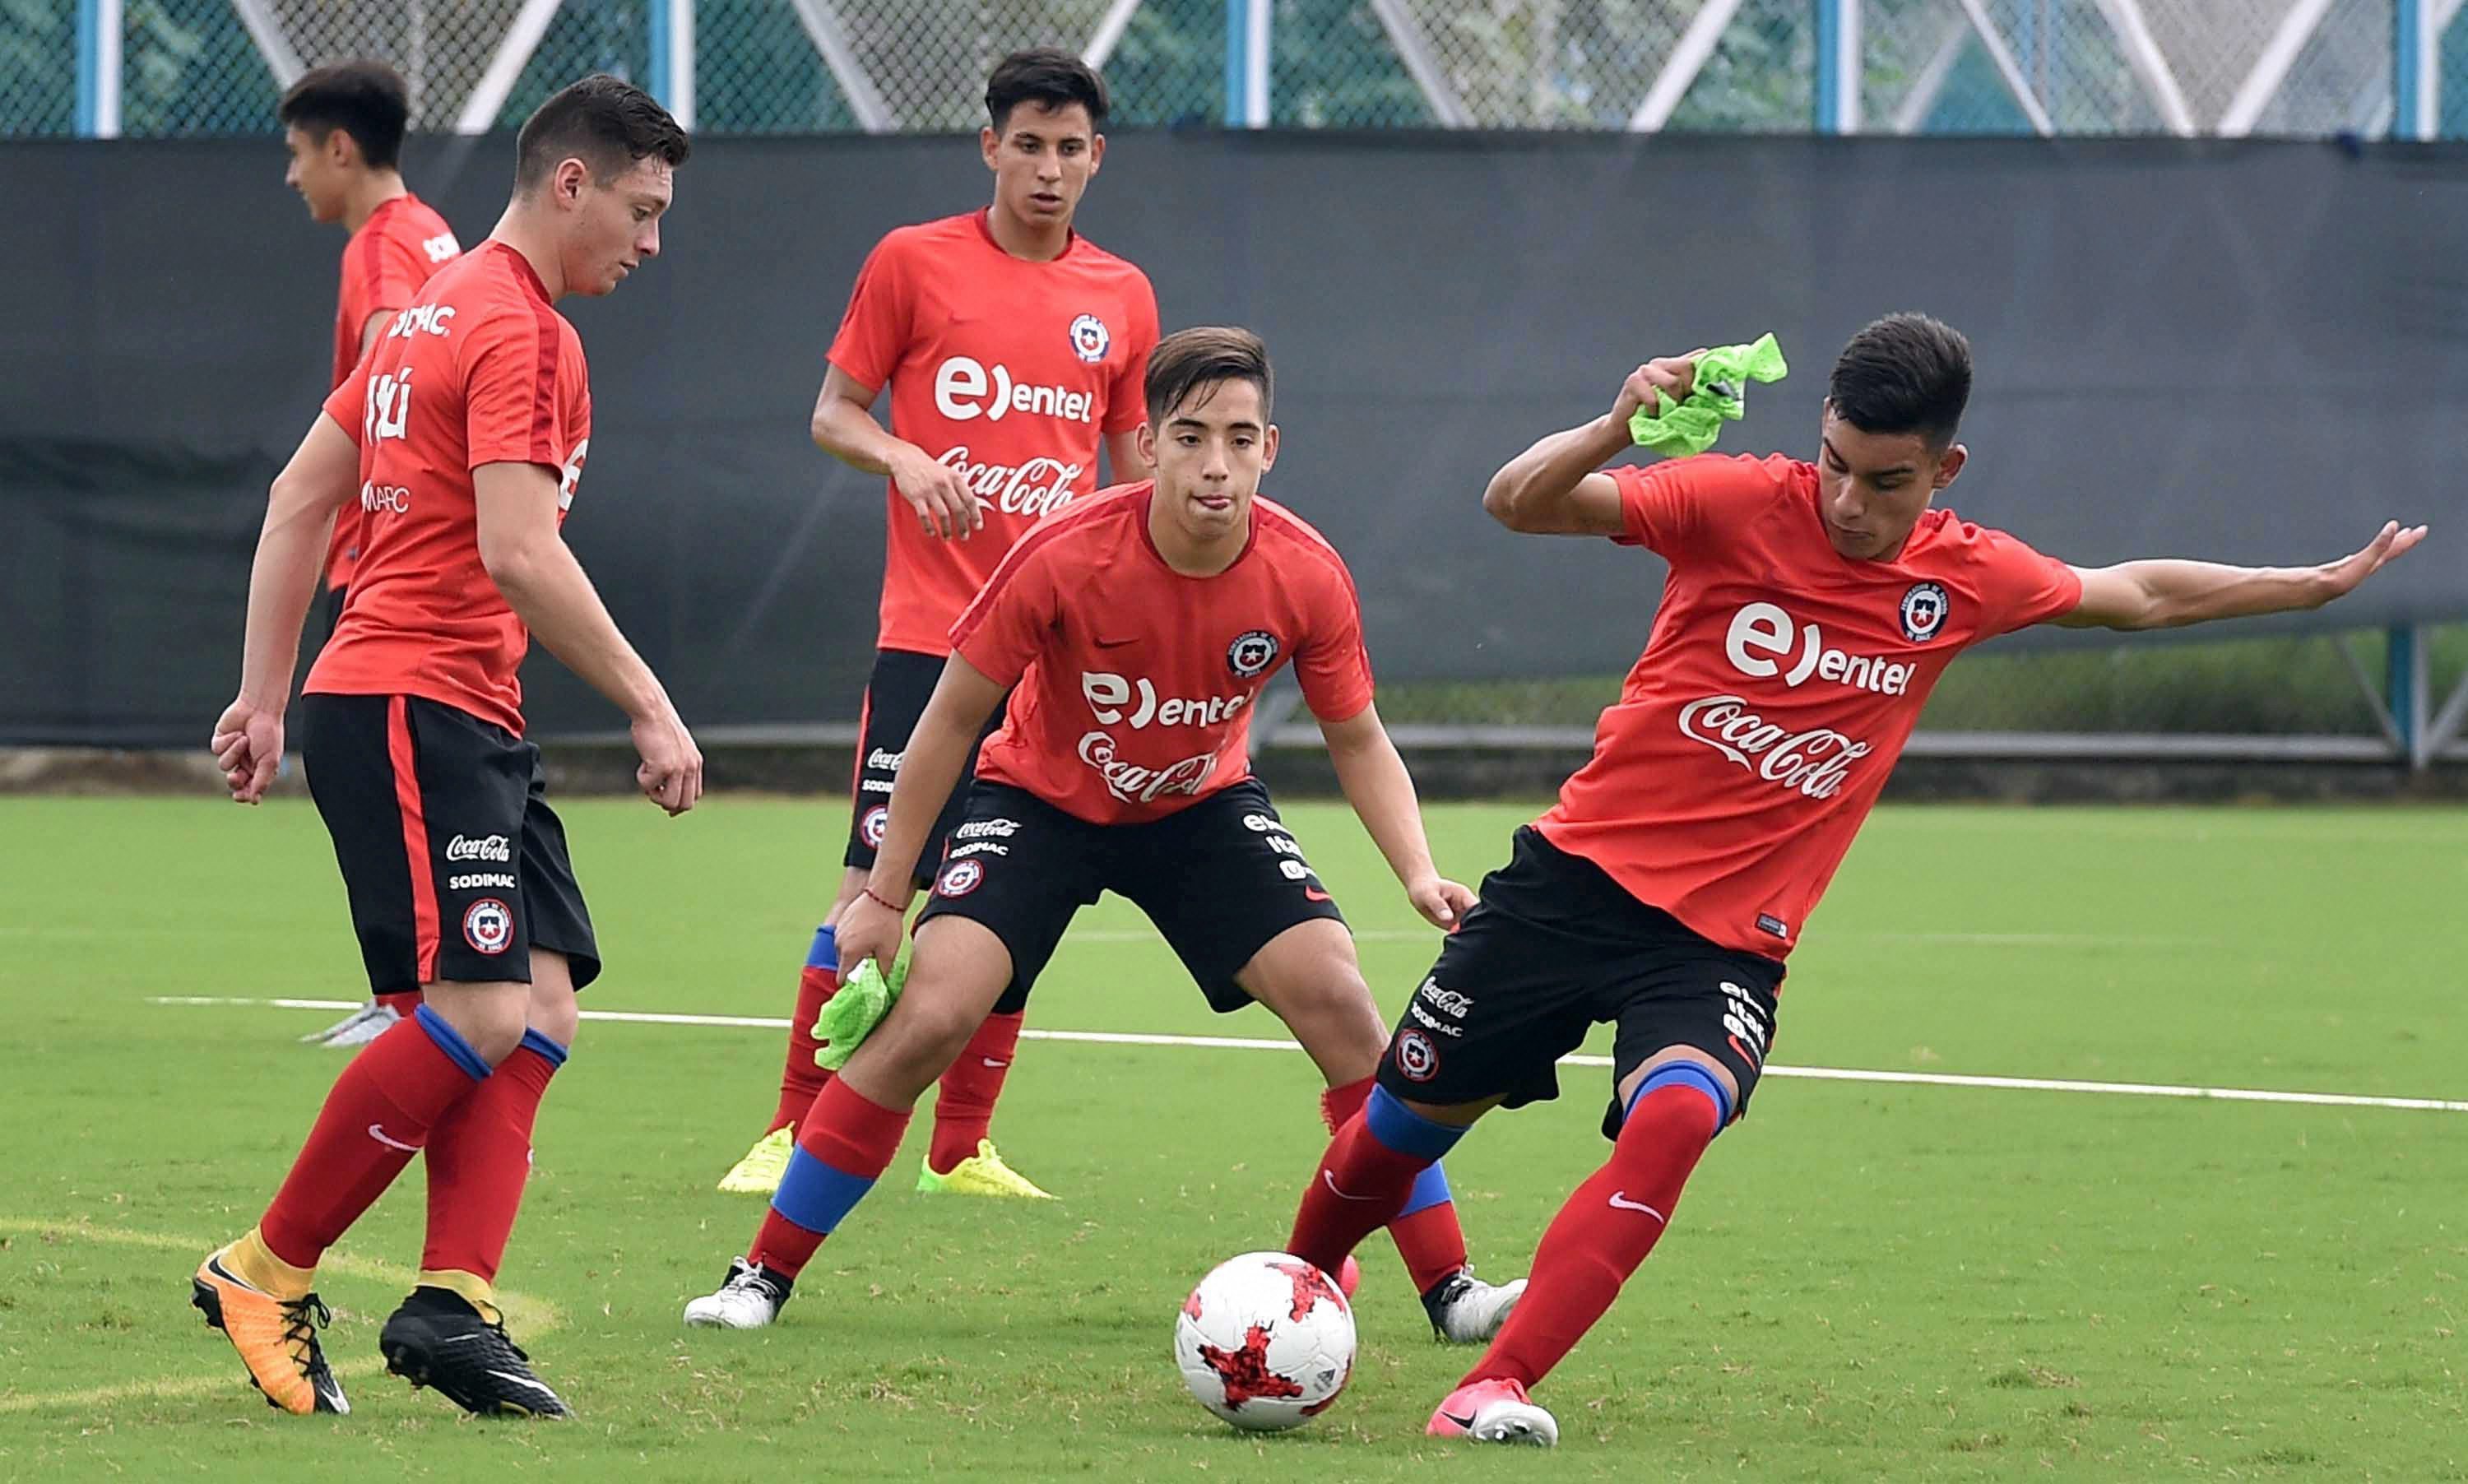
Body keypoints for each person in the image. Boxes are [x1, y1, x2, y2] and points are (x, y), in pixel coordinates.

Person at [1278, 313, 2429, 1447]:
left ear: (1945, 469)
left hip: (1723, 946)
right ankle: (1290, 1297)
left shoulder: (1965, 578)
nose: (1846, 501)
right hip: (1570, 887)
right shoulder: (1734, 500)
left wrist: (2307, 587)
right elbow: (1518, 503)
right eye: (1834, 464)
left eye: (1885, 481)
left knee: (1676, 1116)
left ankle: (1494, 1384)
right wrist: (1615, 423)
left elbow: (2137, 595)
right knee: (1397, 1132)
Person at [684, 327, 1524, 1344]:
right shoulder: (1067, 553)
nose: (1217, 464)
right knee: (935, 1011)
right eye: (1191, 436)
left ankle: (1452, 1292)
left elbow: (1358, 737)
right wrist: (883, 894)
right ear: (1149, 443)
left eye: (1241, 438)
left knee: (1344, 1000)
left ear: (1271, 448)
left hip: (1197, 809)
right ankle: (760, 1274)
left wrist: (1419, 872)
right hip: (1037, 803)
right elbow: (949, 719)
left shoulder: (1307, 573)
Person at [193, 75, 701, 1419]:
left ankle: (453, 1303)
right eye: (642, 213)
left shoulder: (423, 306)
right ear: (573, 184)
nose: (653, 246)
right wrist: (652, 701)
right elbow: (517, 550)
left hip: (443, 702)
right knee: (475, 1010)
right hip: (420, 703)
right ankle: (263, 1264)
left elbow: (303, 498)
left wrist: (264, 696)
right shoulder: (521, 329)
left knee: (537, 1008)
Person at [717, 47, 1161, 1203]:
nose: (1050, 168)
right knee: (877, 879)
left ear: (1096, 158)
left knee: (1018, 896)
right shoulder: (913, 263)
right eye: (1029, 145)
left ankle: (961, 1150)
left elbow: (1132, 476)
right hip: (932, 636)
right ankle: (787, 1128)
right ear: (990, 147)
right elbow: (833, 413)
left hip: (1057, 659)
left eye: (1071, 149)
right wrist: (906, 455)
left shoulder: (1121, 294)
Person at [276, 58, 465, 1049]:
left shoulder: (383, 244)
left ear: (341, 149)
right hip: (435, 549)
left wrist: (382, 493)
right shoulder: (434, 229)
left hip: (385, 549)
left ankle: (408, 1000)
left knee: (367, 764)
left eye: (300, 155)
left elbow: (400, 348)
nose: (294, 176)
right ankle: (424, 987)